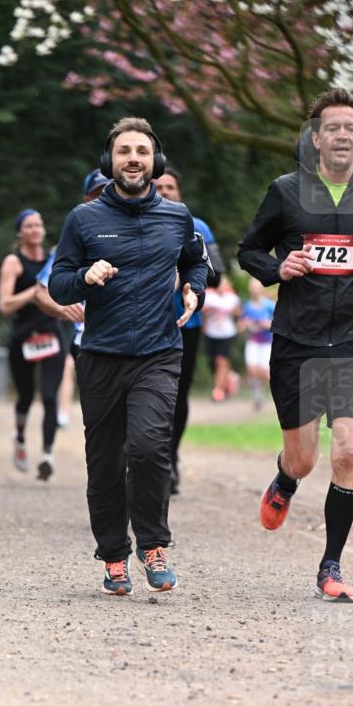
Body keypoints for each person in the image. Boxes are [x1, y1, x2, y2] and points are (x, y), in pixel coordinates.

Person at [238, 88, 353, 602]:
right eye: (331, 127)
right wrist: (279, 267)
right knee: (304, 459)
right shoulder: (286, 191)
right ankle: (285, 481)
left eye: (349, 128)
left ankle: (330, 564)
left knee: (349, 452)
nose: (341, 135)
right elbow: (249, 250)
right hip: (297, 339)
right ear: (315, 139)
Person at [48, 117, 209, 595]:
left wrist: (193, 288)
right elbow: (58, 285)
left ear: (155, 161)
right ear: (109, 161)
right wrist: (84, 277)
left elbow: (196, 261)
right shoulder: (83, 220)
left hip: (159, 352)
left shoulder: (177, 216)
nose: (133, 158)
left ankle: (154, 546)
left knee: (149, 448)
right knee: (104, 463)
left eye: (142, 150)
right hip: (100, 355)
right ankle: (114, 555)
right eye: (124, 151)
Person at [155, 166, 225, 494]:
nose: (164, 191)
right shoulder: (135, 222)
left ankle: (170, 460)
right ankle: (139, 459)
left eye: (169, 187)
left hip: (186, 324)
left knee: (177, 394)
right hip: (143, 322)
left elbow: (216, 275)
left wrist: (181, 272)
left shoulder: (198, 227)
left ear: (179, 193)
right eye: (158, 187)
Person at [0, 209, 68, 481]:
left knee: (49, 395)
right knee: (26, 395)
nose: (35, 230)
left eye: (38, 225)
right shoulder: (13, 262)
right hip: (23, 336)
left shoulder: (54, 258)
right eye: (28, 226)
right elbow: (4, 304)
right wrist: (34, 292)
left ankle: (47, 454)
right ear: (20, 231)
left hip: (51, 333)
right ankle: (19, 438)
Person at [54, 169, 110, 428]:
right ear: (87, 197)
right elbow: (48, 286)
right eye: (97, 193)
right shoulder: (75, 231)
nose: (103, 197)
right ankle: (62, 414)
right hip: (83, 333)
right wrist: (63, 306)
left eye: (108, 191)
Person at [201, 276, 241, 402]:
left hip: (227, 334)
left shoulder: (232, 298)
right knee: (213, 363)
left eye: (224, 283)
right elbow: (202, 310)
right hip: (211, 333)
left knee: (221, 361)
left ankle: (218, 391)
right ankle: (230, 377)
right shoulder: (208, 295)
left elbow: (238, 313)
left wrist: (232, 311)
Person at [240, 277, 275, 411]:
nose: (254, 290)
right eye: (252, 288)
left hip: (267, 343)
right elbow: (240, 327)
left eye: (256, 288)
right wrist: (245, 324)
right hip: (253, 341)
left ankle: (276, 393)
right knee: (252, 370)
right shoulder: (247, 306)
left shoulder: (269, 305)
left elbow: (279, 324)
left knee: (266, 373)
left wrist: (266, 324)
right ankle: (258, 398)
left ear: (261, 289)